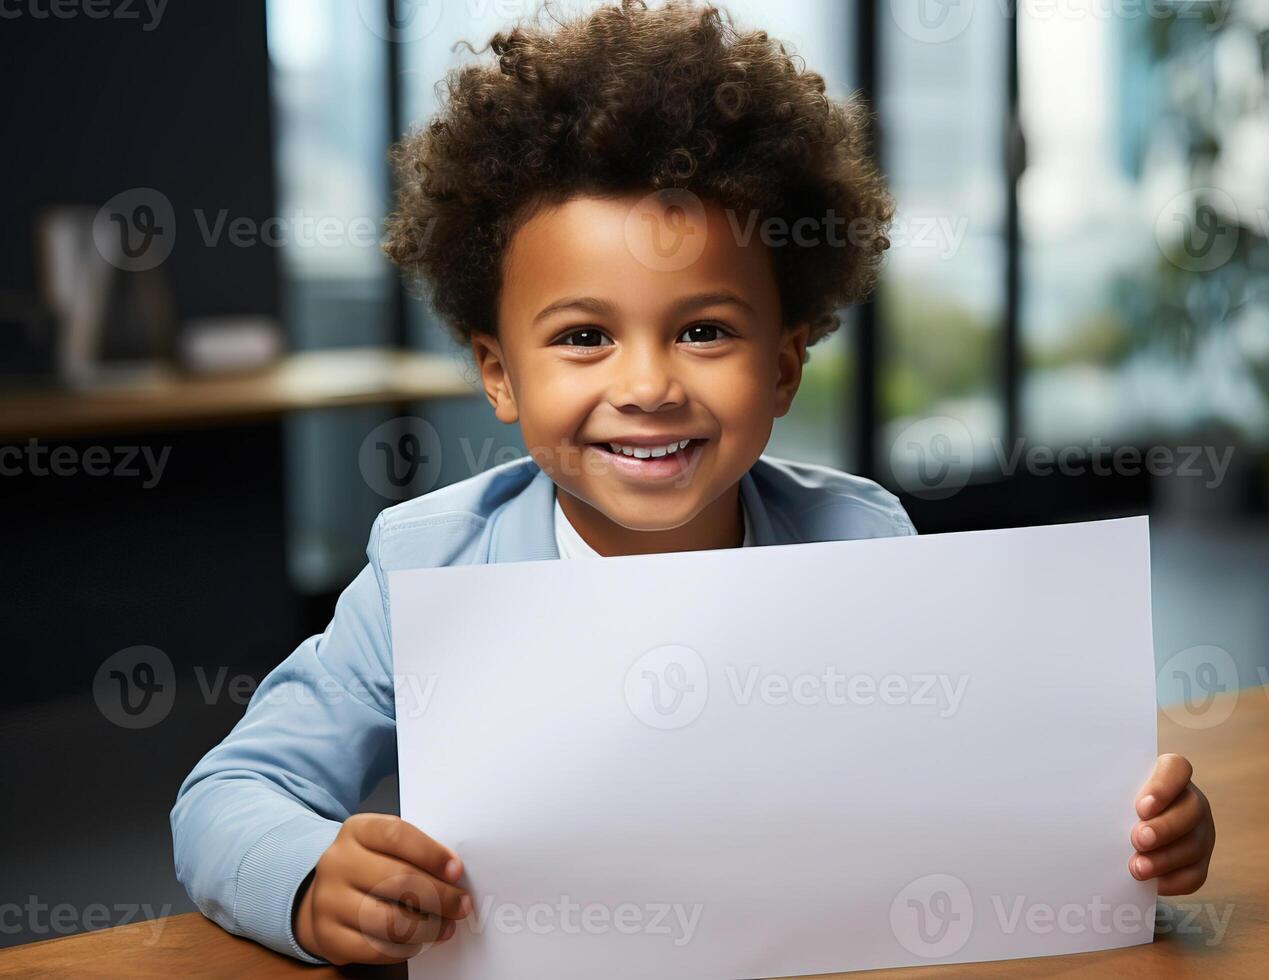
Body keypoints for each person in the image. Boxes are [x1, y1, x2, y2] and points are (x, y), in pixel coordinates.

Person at [172, 1, 1214, 965]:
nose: (647, 385)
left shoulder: (862, 544)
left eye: (704, 330)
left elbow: (997, 792)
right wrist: (312, 881)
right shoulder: (424, 569)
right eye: (583, 336)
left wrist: (1135, 834)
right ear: (498, 372)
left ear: (784, 362)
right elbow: (230, 791)